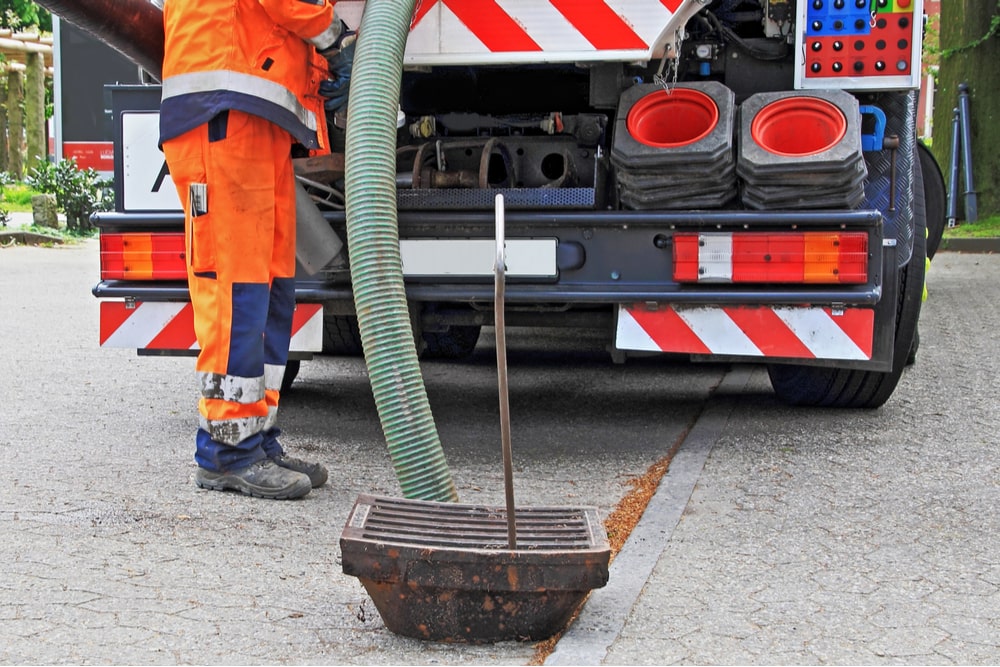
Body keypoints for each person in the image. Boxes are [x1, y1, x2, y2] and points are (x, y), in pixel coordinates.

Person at [159, 0, 354, 499]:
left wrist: (317, 65)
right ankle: (225, 451)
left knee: (268, 286)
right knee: (235, 288)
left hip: (250, 110)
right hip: (221, 109)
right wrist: (332, 36)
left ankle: (256, 437)